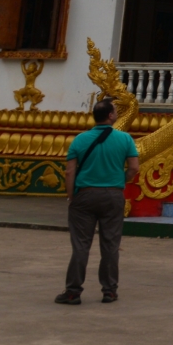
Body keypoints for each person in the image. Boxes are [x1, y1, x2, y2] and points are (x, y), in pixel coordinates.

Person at [56, 97, 140, 305]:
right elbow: (134, 168)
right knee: (110, 245)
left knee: (81, 245)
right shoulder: (125, 139)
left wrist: (72, 196)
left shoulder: (80, 139)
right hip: (113, 195)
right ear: (110, 116)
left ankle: (73, 291)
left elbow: (69, 172)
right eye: (115, 110)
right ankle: (109, 290)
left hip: (84, 195)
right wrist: (120, 180)